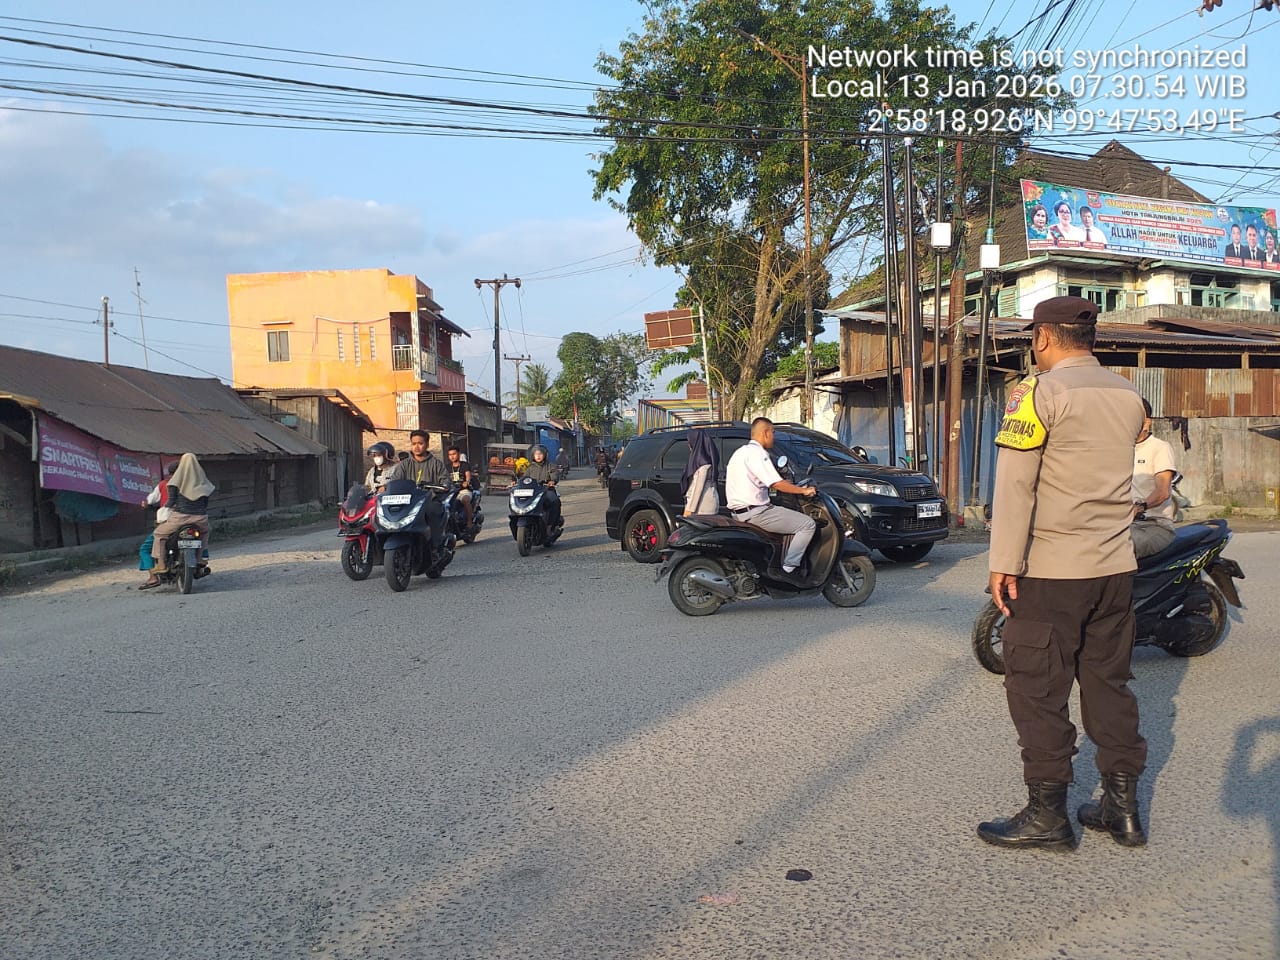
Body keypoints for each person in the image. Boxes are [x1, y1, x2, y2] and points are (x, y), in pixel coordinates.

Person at [978, 296, 1148, 851]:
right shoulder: (1129, 395)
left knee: (1037, 689)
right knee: (1108, 683)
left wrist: (1002, 561)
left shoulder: (1037, 393)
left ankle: (1048, 815)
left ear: (1044, 338)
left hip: (1051, 571)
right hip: (1115, 568)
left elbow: (1016, 483)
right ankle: (1121, 811)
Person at [724, 417, 817, 583]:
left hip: (740, 512)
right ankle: (788, 570)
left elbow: (765, 481)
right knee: (807, 524)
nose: (774, 436)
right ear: (765, 433)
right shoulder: (758, 453)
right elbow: (776, 483)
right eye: (773, 432)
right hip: (756, 512)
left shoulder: (740, 452)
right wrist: (803, 490)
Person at [142, 452, 215, 589]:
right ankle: (200, 559)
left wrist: (164, 510)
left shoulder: (175, 482)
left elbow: (171, 502)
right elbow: (205, 504)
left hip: (180, 518)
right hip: (200, 518)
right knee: (205, 533)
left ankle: (162, 564)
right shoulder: (203, 482)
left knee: (159, 534)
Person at [1130, 398, 1178, 559]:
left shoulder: (1159, 448)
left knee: (1121, 547)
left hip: (1154, 526)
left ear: (1146, 423)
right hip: (1123, 525)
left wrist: (1139, 507)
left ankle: (1122, 585)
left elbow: (1162, 492)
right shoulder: (1119, 450)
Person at [138, 461, 178, 576]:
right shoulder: (190, 484)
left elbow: (149, 500)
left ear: (169, 473)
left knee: (145, 548)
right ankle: (203, 557)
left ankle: (153, 576)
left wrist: (145, 504)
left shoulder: (163, 485)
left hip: (167, 522)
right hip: (191, 519)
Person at [681, 428, 720, 516]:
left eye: (690, 441)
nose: (689, 444)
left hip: (702, 508)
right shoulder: (708, 461)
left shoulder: (702, 465)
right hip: (708, 504)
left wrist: (688, 510)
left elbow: (697, 489)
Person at [523, 443, 563, 529]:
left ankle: (551, 525)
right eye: (536, 454)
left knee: (555, 501)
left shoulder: (550, 466)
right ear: (533, 455)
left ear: (545, 455)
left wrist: (552, 481)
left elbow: (555, 475)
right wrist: (517, 483)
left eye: (540, 454)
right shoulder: (530, 468)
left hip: (546, 490)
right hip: (533, 491)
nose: (538, 456)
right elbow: (524, 478)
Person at [445, 444, 475, 531]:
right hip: (451, 491)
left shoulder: (465, 465)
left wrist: (467, 482)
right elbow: (444, 478)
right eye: (450, 455)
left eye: (454, 454)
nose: (452, 456)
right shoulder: (447, 467)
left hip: (463, 490)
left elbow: (468, 475)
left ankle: (469, 522)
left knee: (465, 500)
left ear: (459, 454)